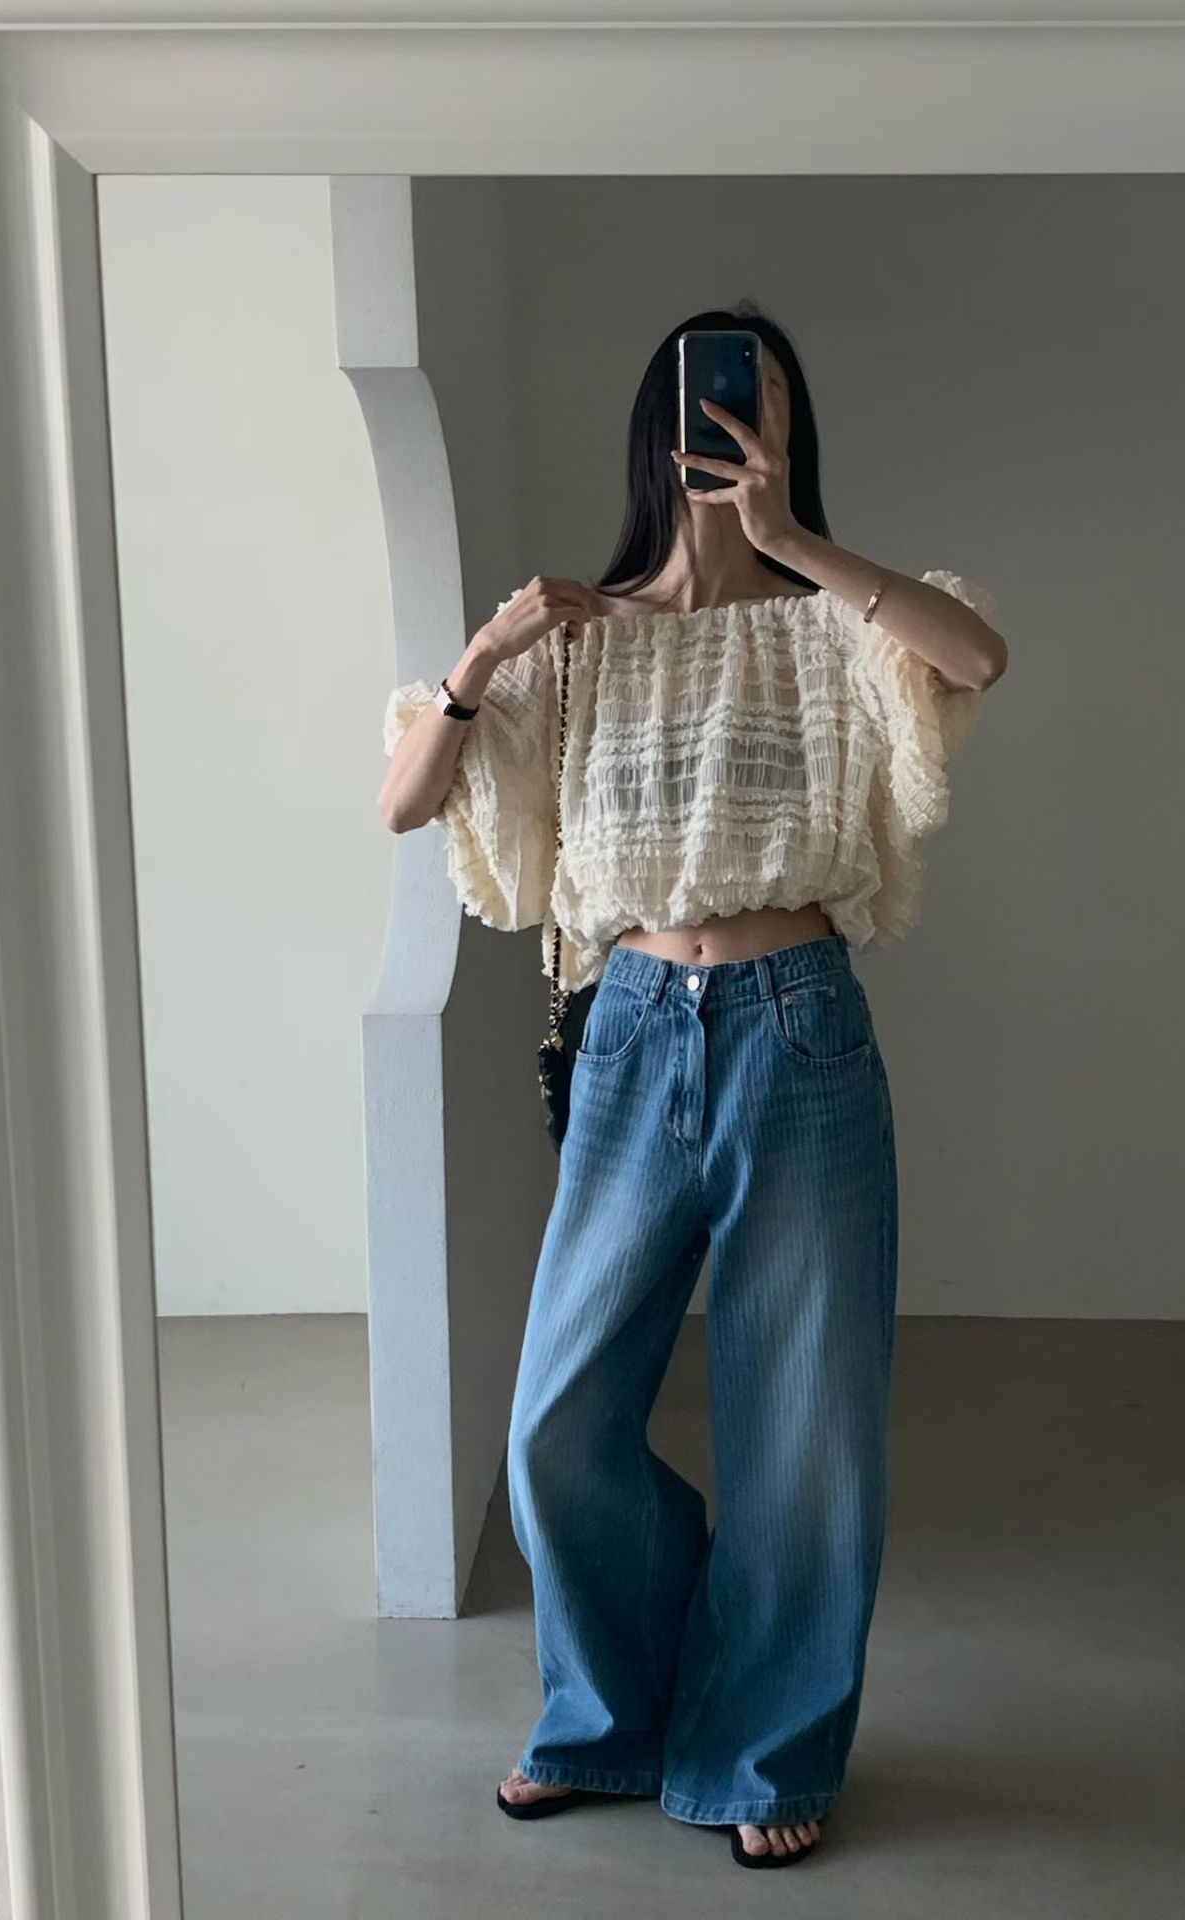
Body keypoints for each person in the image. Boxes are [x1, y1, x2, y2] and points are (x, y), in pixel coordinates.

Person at [377, 303, 1009, 1869]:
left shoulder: (832, 621)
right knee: (558, 1423)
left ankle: (766, 1749)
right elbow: (406, 801)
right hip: (635, 1029)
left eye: (761, 399)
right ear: (654, 427)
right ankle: (611, 1714)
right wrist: (482, 659)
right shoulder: (578, 639)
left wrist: (792, 539)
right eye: (708, 399)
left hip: (801, 1033)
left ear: (791, 427)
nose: (729, 422)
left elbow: (976, 655)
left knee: (807, 1427)